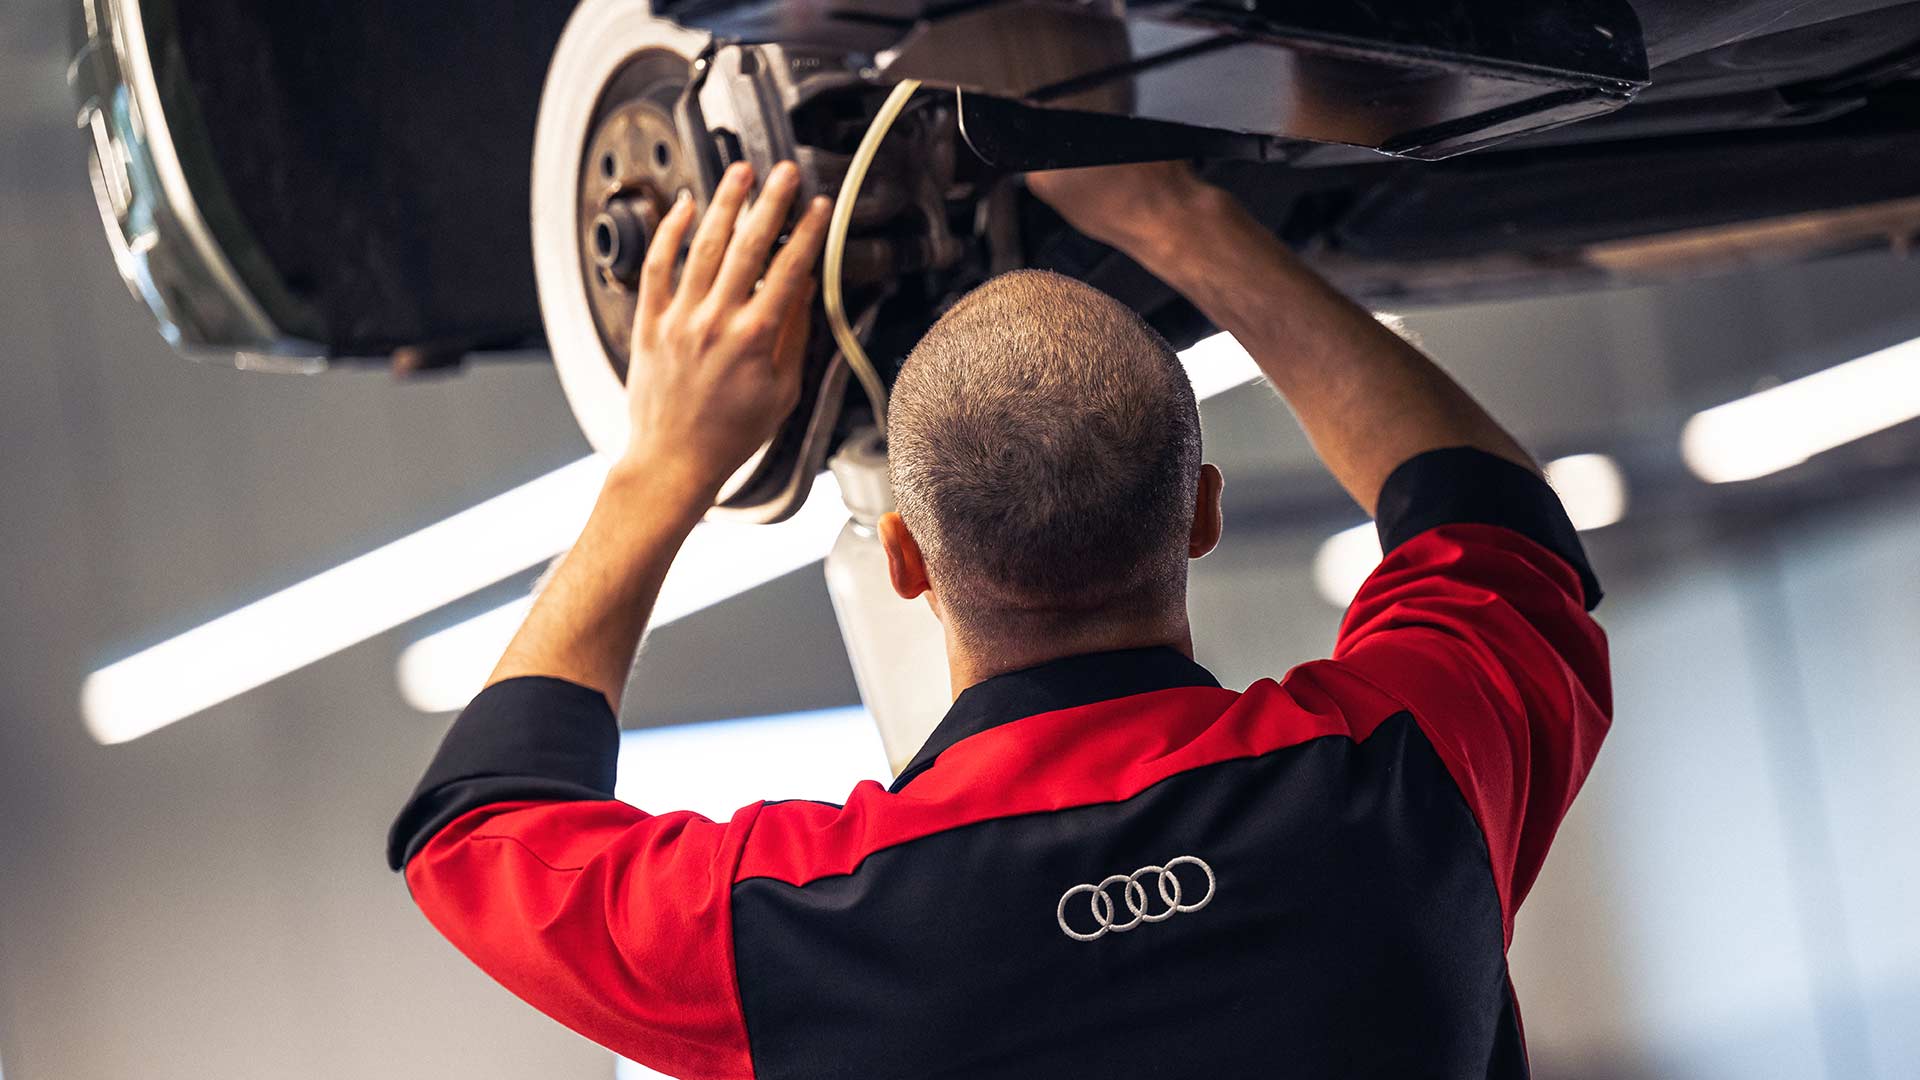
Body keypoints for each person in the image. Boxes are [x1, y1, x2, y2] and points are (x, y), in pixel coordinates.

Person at [388, 157, 1610, 1079]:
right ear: (1202, 513)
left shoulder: (809, 922)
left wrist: (665, 461)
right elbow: (1494, 530)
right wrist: (1183, 224)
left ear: (909, 560)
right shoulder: (1409, 771)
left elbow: (477, 830)